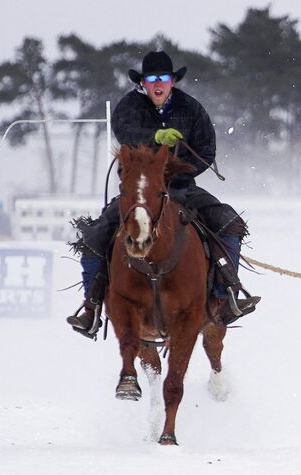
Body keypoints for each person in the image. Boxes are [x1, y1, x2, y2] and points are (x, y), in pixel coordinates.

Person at [67, 50, 260, 338]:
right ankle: (92, 305)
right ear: (143, 83)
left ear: (173, 82)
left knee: (228, 221)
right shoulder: (129, 107)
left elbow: (207, 150)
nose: (158, 84)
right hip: (138, 193)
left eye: (164, 78)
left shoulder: (192, 109)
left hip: (180, 188)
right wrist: (156, 137)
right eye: (152, 79)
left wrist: (179, 170)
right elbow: (126, 133)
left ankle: (228, 292)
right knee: (95, 236)